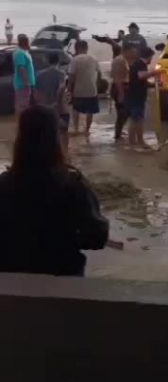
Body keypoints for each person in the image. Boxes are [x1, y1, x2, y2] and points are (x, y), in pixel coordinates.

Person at [0, 105, 108, 276]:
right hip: (62, 277)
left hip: (11, 280)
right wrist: (67, 239)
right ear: (55, 140)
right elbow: (98, 237)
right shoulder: (73, 186)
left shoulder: (4, 185)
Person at [35, 51, 70, 153]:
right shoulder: (61, 74)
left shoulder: (39, 75)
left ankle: (47, 153)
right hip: (60, 108)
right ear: (58, 62)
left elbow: (36, 93)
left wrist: (40, 106)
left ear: (47, 61)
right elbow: (61, 89)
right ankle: (64, 153)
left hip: (44, 108)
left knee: (46, 133)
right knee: (63, 132)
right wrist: (56, 103)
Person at [125, 46, 159, 147]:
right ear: (148, 56)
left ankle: (132, 141)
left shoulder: (136, 63)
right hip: (137, 96)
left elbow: (139, 79)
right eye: (151, 57)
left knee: (134, 119)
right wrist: (156, 72)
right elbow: (141, 76)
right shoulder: (140, 64)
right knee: (138, 119)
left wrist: (153, 84)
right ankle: (140, 141)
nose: (151, 60)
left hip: (133, 95)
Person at [68, 39, 101, 135]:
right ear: (86, 48)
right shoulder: (93, 59)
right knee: (90, 111)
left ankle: (76, 129)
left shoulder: (75, 60)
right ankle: (87, 130)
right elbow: (99, 73)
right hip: (92, 90)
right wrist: (97, 85)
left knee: (76, 109)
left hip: (78, 90)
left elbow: (71, 76)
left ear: (77, 48)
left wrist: (69, 88)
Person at [110, 41, 137, 141]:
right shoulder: (120, 60)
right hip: (120, 87)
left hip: (121, 87)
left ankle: (119, 131)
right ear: (127, 51)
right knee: (123, 112)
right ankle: (117, 135)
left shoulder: (123, 60)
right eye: (133, 52)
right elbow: (118, 78)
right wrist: (121, 94)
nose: (134, 54)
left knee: (124, 112)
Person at [12, 33, 35, 115]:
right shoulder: (19, 53)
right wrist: (26, 83)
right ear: (24, 42)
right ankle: (21, 121)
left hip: (27, 83)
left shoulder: (24, 52)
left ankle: (24, 120)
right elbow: (21, 69)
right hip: (22, 84)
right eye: (28, 41)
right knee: (22, 105)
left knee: (25, 104)